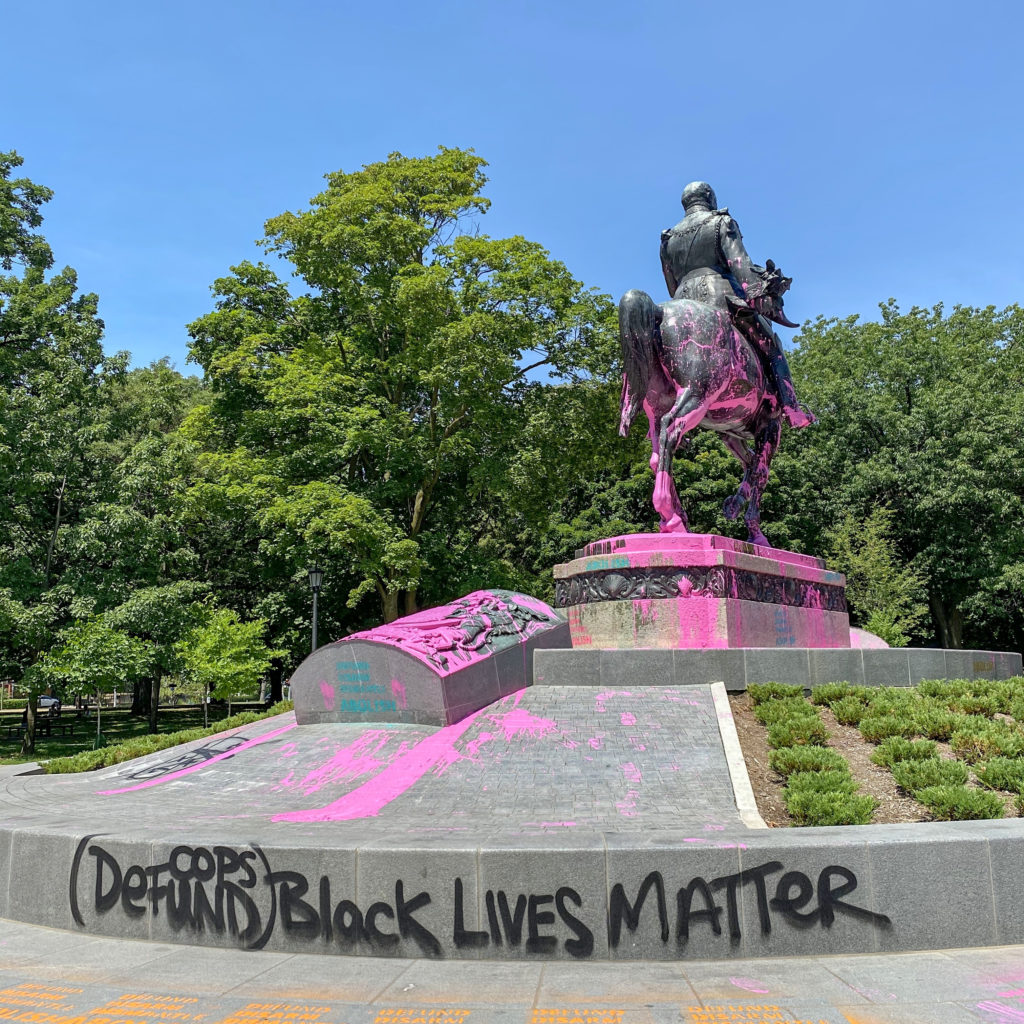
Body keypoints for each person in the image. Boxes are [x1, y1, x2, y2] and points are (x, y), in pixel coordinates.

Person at [660, 181, 815, 428]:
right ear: (709, 197)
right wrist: (763, 289)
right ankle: (791, 408)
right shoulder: (721, 222)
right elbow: (740, 266)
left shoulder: (668, 238)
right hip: (721, 298)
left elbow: (671, 284)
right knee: (771, 344)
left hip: (682, 303)